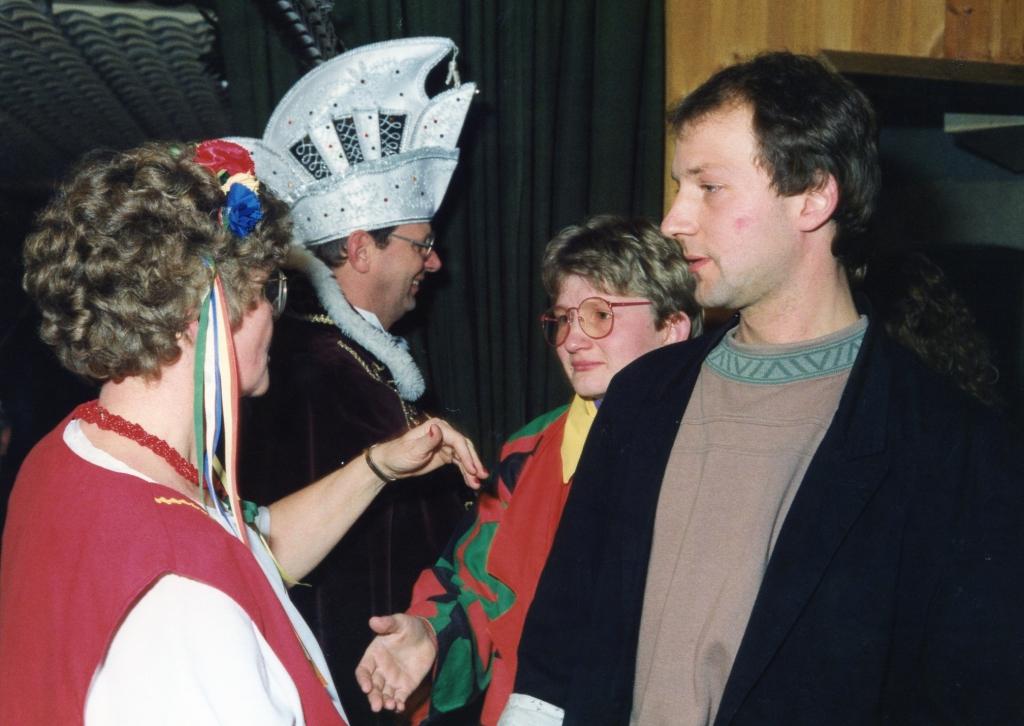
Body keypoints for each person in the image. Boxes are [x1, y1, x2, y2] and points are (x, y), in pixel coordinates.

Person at [501, 52, 1024, 726]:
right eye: (679, 186)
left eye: (709, 187)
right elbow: (554, 657)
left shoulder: (955, 449)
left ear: (813, 196)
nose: (673, 220)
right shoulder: (640, 398)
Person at [0, 140, 486, 726]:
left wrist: (378, 466)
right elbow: (201, 567)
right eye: (264, 290)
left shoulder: (70, 449)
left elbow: (247, 550)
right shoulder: (181, 594)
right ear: (199, 313)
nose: (275, 313)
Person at [355, 216, 702, 725]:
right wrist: (430, 634)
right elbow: (477, 590)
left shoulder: (708, 454)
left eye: (599, 315)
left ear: (672, 328)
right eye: (563, 319)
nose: (572, 341)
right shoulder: (530, 451)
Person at [233, 37, 477, 725]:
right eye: (422, 244)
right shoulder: (308, 368)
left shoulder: (354, 362)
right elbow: (296, 574)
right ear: (363, 248)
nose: (434, 263)